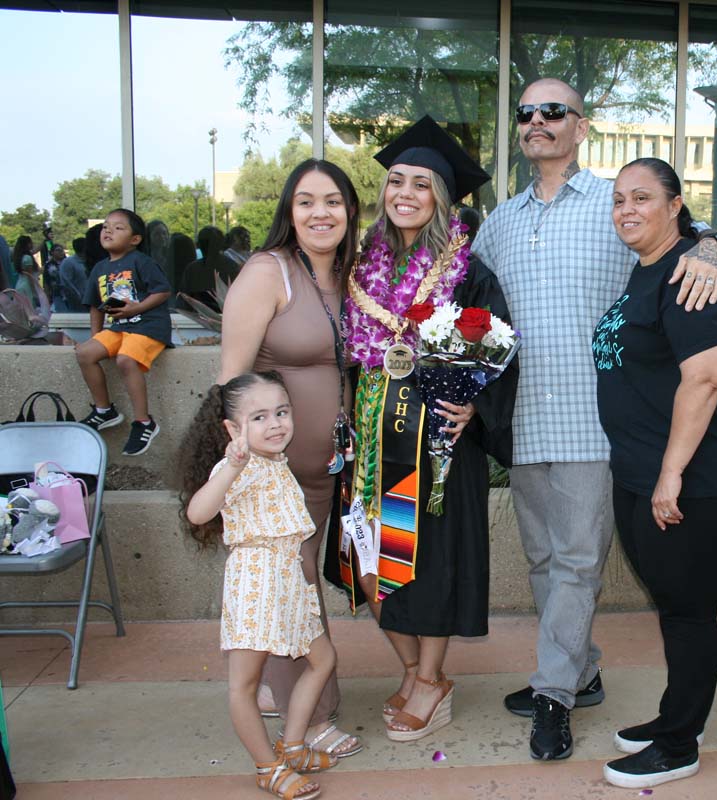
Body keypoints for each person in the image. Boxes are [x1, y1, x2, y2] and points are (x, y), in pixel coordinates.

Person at [471, 78, 717, 761]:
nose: (538, 122)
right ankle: (580, 673)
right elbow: (464, 301)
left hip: (595, 421)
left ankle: (552, 696)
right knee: (544, 560)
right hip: (522, 419)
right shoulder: (497, 222)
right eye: (526, 113)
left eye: (553, 111)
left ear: (580, 127)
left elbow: (684, 238)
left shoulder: (615, 205)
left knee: (578, 564)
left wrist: (713, 244)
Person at [338, 115, 517, 742]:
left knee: (430, 561)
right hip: (372, 442)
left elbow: (496, 353)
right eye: (395, 182)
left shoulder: (467, 271)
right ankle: (418, 672)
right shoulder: (361, 268)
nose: (405, 193)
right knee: (373, 560)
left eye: (420, 184)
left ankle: (432, 676)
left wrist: (476, 407)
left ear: (441, 197)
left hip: (436, 447)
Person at [593, 158, 717, 789]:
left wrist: (669, 475)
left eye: (642, 197)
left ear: (675, 205)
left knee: (689, 612)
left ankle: (678, 743)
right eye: (618, 200)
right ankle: (676, 716)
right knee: (673, 604)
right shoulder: (652, 272)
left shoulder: (698, 276)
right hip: (646, 473)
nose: (627, 210)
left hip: (701, 480)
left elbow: (708, 376)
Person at [215, 159, 364, 759]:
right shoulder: (267, 271)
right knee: (289, 589)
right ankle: (311, 723)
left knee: (299, 587)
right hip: (275, 476)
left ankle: (299, 694)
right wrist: (247, 463)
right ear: (288, 211)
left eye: (332, 201)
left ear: (351, 211)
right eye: (306, 202)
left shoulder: (352, 277)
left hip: (328, 471)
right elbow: (231, 378)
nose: (320, 213)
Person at [180, 370, 338, 800]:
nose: (275, 424)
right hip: (256, 582)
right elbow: (198, 512)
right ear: (233, 429)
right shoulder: (238, 466)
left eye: (282, 412)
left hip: (288, 580)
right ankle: (268, 767)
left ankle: (292, 745)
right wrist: (231, 466)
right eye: (259, 417)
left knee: (322, 659)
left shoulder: (276, 461)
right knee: (244, 684)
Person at [76, 209, 171, 456]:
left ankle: (143, 422)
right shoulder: (99, 268)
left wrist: (137, 308)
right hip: (120, 328)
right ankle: (104, 410)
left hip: (148, 327)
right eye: (106, 226)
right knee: (85, 353)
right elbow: (96, 306)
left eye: (118, 228)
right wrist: (95, 336)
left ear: (135, 239)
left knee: (126, 359)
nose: (108, 231)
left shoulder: (142, 262)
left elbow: (162, 291)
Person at [57, 238, 90, 312]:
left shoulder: (89, 261)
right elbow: (66, 283)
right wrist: (78, 296)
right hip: (77, 302)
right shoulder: (68, 262)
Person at [12, 235, 40, 306]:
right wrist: (34, 292)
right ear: (27, 244)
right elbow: (30, 276)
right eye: (31, 243)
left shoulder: (19, 257)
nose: (32, 244)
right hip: (27, 286)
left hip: (19, 284)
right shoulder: (27, 258)